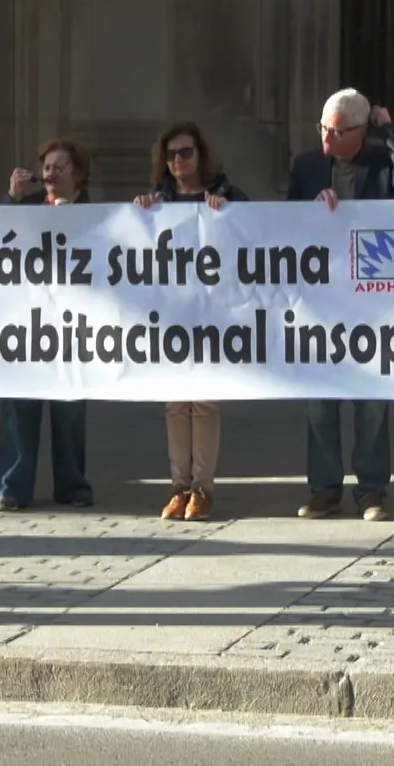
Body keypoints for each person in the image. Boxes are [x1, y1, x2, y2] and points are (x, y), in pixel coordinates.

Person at [286, 88, 394, 522]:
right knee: (321, 400)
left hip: (373, 297)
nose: (327, 138)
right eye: (323, 129)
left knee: (371, 402)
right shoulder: (307, 166)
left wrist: (390, 129)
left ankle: (371, 491)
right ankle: (324, 489)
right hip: (323, 298)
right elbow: (284, 221)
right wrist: (311, 210)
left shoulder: (381, 160)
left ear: (361, 131)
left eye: (338, 131)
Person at [134, 122, 248, 522]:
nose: (178, 161)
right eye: (171, 155)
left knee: (203, 400)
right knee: (175, 401)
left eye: (185, 153)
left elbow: (255, 233)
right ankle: (178, 486)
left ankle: (203, 486)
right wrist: (142, 214)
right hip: (171, 312)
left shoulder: (226, 194)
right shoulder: (158, 200)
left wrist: (228, 215)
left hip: (211, 311)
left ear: (201, 156)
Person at [0, 137, 95, 512]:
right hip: (28, 323)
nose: (50, 173)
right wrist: (12, 199)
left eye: (59, 167)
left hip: (74, 327)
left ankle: (72, 485)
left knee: (69, 408)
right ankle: (12, 487)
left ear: (78, 173)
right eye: (46, 167)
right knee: (20, 404)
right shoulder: (28, 208)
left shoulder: (95, 213)